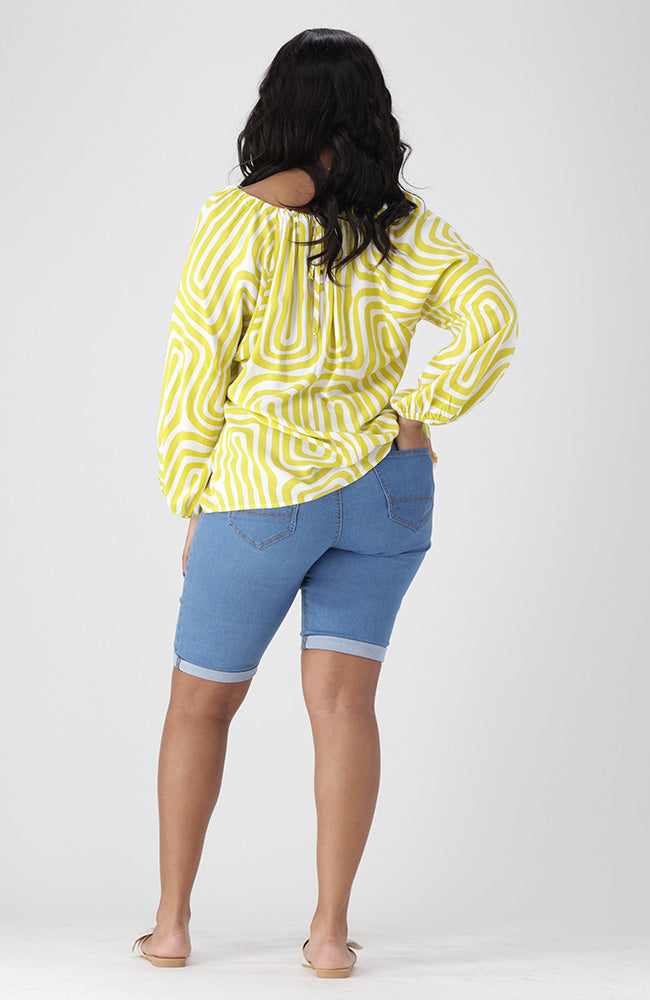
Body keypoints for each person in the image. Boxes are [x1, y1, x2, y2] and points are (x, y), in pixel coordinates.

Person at [132, 27, 519, 977]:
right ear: (371, 112)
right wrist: (417, 410)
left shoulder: (237, 221)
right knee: (346, 706)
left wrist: (192, 495)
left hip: (262, 490)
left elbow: (195, 371)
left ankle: (172, 928)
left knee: (199, 706)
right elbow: (494, 317)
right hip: (389, 491)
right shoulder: (407, 225)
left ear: (280, 109)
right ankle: (330, 936)